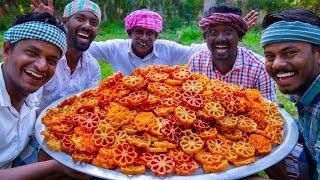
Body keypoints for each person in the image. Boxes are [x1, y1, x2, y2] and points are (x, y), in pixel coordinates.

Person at [32, 0, 259, 76]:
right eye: (138, 32)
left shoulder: (168, 50)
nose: (144, 38)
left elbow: (198, 49)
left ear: (156, 35)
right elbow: (82, 45)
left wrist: (234, 34)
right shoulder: (114, 48)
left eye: (149, 33)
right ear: (129, 33)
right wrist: (54, 25)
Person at [0, 11, 85, 179]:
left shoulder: (30, 90)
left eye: (51, 60)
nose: (41, 66)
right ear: (7, 50)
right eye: (32, 53)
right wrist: (58, 167)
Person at [260, 8, 320, 179]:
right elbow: (304, 131)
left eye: (290, 53)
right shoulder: (306, 94)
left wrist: (279, 174)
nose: (277, 64)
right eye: (270, 56)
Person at [188, 4, 276, 102]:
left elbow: (271, 110)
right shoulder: (196, 62)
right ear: (205, 37)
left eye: (228, 32)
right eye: (213, 32)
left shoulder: (259, 69)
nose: (220, 39)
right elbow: (191, 99)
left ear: (239, 35)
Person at [35, 0, 101, 112]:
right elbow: (30, 104)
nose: (87, 26)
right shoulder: (45, 61)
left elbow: (90, 105)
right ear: (65, 21)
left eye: (94, 23)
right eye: (80, 19)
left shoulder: (93, 67)